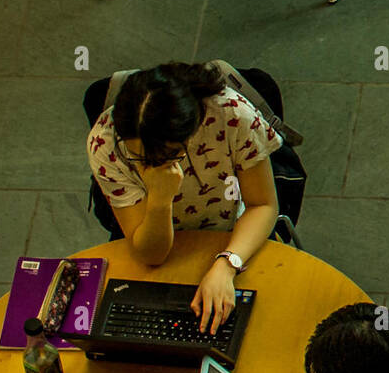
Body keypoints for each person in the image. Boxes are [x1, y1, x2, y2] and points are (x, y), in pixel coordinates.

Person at [86, 61, 282, 331]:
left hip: (232, 234)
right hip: (157, 239)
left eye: (166, 154)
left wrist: (226, 265)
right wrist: (159, 198)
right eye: (140, 156)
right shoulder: (106, 143)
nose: (152, 164)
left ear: (191, 131)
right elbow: (152, 254)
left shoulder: (232, 114)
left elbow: (262, 205)